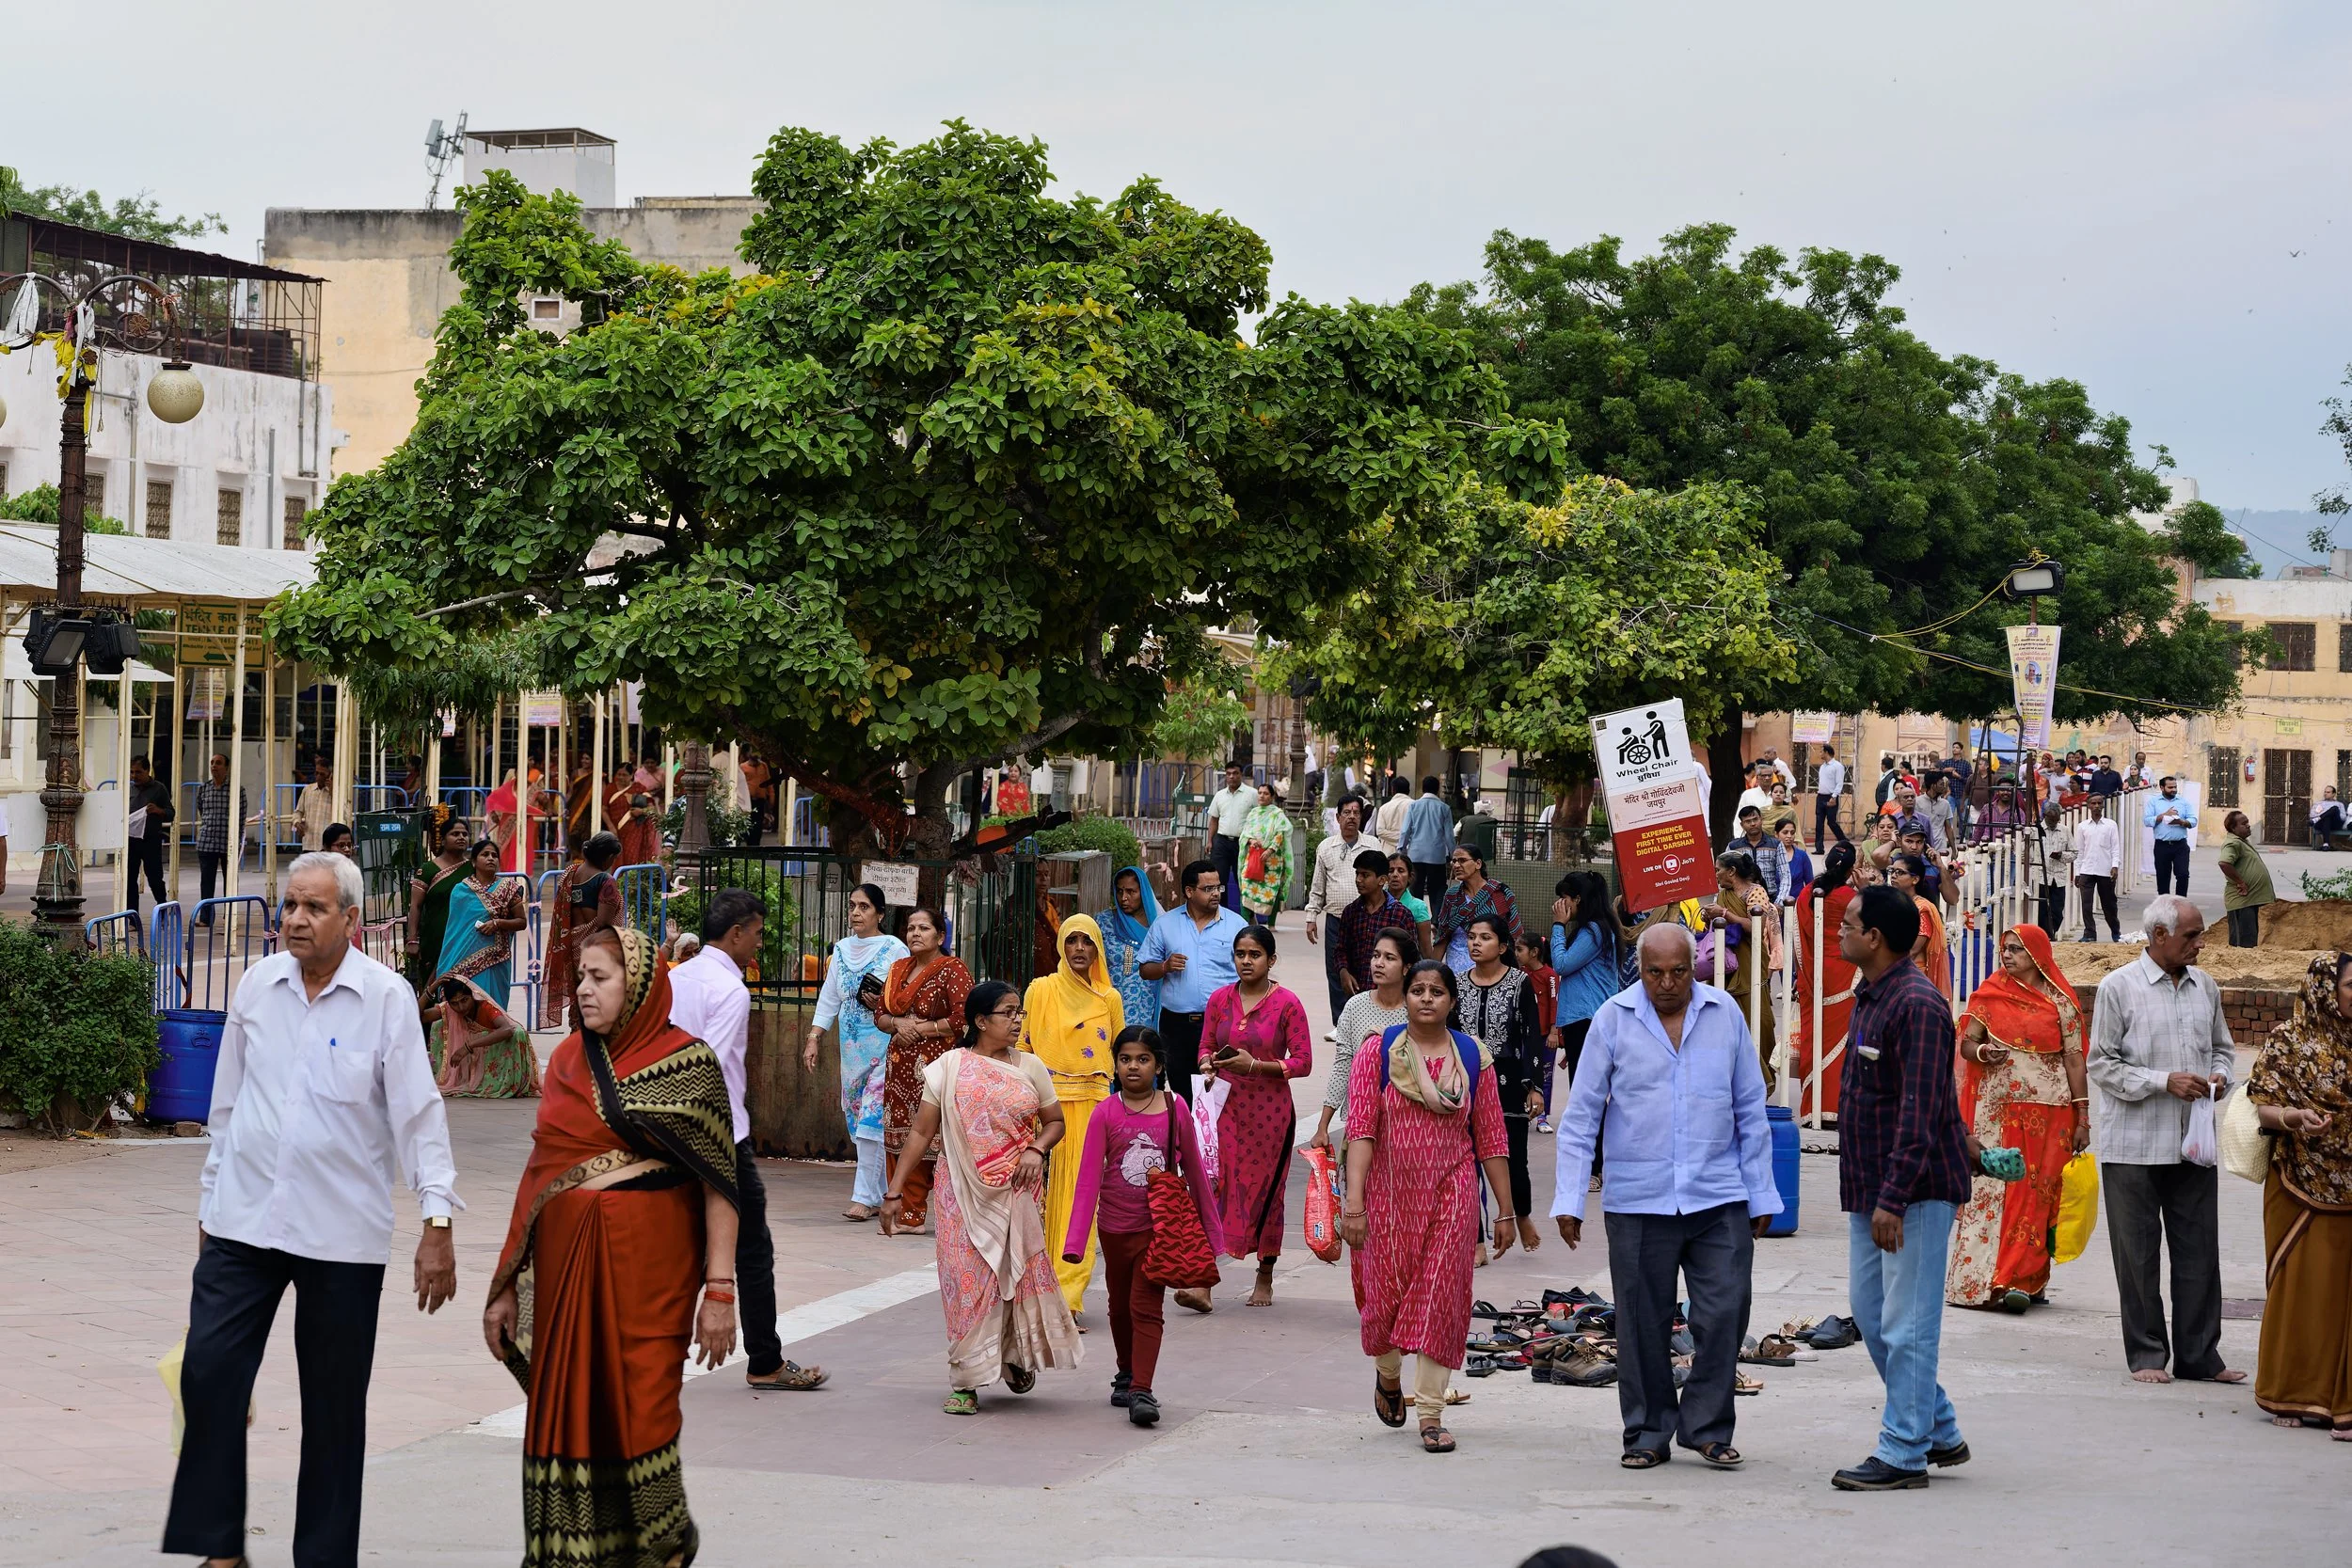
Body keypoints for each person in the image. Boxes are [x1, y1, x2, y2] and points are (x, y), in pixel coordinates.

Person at [163, 853, 459, 1567]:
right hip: (243, 1220)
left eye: (314, 908)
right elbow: (227, 1107)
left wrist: (437, 1221)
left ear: (350, 919)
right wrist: (209, 1203)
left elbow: (418, 1115)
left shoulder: (385, 999)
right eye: (290, 905)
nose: (295, 919)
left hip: (341, 1236)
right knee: (208, 1372)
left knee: (333, 1410)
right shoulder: (257, 985)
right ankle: (220, 1552)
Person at [484, 926, 737, 1565]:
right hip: (566, 1269)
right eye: (581, 977)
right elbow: (541, 1174)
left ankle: (660, 1547)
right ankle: (569, 1555)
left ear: (641, 984)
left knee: (644, 1406)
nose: (584, 990)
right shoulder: (568, 1060)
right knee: (569, 1405)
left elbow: (720, 1186)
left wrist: (720, 1290)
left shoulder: (691, 1065)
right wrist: (508, 1281)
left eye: (600, 977)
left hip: (652, 1273)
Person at [1552, 923, 1779, 1470]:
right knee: (1640, 1323)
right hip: (1637, 1200)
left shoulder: (1724, 1015)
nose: (1668, 983)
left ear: (1692, 967)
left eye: (1679, 971)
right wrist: (1569, 1198)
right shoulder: (1613, 1019)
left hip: (1718, 1195)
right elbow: (1582, 1116)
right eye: (1656, 973)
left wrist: (1762, 1193)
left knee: (1726, 1312)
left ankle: (1705, 1426)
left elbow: (1750, 1109)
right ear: (1641, 969)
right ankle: (1648, 1431)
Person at [880, 980, 1084, 1414]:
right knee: (966, 1282)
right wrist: (895, 1191)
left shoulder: (1030, 1066)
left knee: (1014, 1276)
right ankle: (967, 1381)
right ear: (980, 1021)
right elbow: (921, 1132)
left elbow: (1054, 1122)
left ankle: (1012, 1356)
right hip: (960, 1191)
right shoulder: (949, 1067)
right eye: (1008, 1013)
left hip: (1017, 1191)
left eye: (1018, 1012)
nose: (1016, 1021)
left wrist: (1036, 1149)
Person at [1832, 885, 1975, 1491]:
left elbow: (1918, 1112)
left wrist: (1893, 1199)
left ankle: (1904, 1452)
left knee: (1908, 1325)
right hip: (1871, 1189)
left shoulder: (1917, 1005)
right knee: (1872, 1315)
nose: (1839, 931)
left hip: (1912, 1192)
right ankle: (1937, 1426)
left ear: (1875, 938)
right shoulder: (1871, 995)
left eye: (1848, 923)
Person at [1342, 959, 1517, 1454]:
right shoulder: (1378, 1052)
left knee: (1442, 1294)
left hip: (1452, 1190)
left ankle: (1431, 1414)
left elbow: (1491, 1138)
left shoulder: (1473, 1058)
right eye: (1417, 990)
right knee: (1383, 1300)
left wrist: (1506, 1211)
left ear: (1451, 1001)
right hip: (1387, 1196)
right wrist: (1354, 1202)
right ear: (1405, 998)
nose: (1425, 998)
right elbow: (1361, 1130)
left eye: (1436, 991)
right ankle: (1388, 1374)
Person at [672, 888, 829, 1393]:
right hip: (720, 1132)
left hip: (669, 1126)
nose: (760, 942)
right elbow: (711, 1066)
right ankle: (765, 1359)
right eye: (757, 933)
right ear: (736, 933)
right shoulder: (730, 990)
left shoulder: (676, 978)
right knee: (753, 1249)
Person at [2087, 894, 2244, 1386]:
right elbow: (2102, 1064)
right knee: (2137, 1256)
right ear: (2158, 935)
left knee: (2199, 1252)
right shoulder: (2118, 987)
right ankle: (2148, 1353)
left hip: (2192, 1141)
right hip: (2133, 1145)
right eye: (2191, 936)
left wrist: (2219, 1077)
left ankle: (2200, 1356)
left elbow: (2223, 1049)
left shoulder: (2205, 987)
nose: (2200, 944)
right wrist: (2162, 1082)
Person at [1060, 1026, 1223, 1428]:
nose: (1133, 1067)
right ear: (1115, 1065)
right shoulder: (1105, 1112)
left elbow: (1195, 1172)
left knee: (1145, 1307)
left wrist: (1212, 1233)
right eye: (1126, 1059)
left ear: (1159, 1066)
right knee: (1119, 1307)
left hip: (1159, 1228)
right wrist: (1076, 1242)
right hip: (1115, 1229)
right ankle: (1126, 1371)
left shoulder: (1175, 1107)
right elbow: (1087, 1180)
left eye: (1143, 1059)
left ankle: (1142, 1390)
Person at [1945, 924, 2090, 1312]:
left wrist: (2083, 1118)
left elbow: (2074, 1060)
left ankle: (2023, 1281)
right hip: (1998, 1109)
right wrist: (1982, 1054)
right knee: (1992, 1191)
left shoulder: (2061, 1001)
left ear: (2037, 955)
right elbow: (1967, 1043)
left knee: (2037, 1195)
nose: (2007, 955)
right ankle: (1979, 1283)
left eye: (2016, 949)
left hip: (2052, 1111)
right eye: (2005, 949)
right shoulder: (1990, 994)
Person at [2245, 952, 2352, 1437]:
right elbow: (2263, 1107)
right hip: (2299, 1181)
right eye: (2351, 986)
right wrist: (2296, 1118)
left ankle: (2342, 1401)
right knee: (2303, 1290)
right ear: (2325, 991)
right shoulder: (2289, 1041)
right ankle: (2289, 1391)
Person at [1195, 924, 1312, 1310]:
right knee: (1216, 1185)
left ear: (1271, 960)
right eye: (1240, 954)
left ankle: (1265, 1274)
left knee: (1266, 1191)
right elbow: (1205, 1045)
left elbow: (1303, 1062)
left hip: (1270, 1115)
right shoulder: (1220, 999)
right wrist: (1208, 1064)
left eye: (1255, 955)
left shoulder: (1288, 1004)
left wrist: (1257, 1066)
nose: (1246, 961)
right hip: (1225, 1107)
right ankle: (1203, 1281)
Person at [1023, 912, 1126, 1317]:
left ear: (1097, 950)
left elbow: (1121, 1056)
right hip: (1043, 1105)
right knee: (1039, 1199)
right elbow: (1023, 1045)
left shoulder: (1108, 998)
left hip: (1092, 1106)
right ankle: (1034, 1289)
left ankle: (1067, 1296)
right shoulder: (1040, 990)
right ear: (1061, 946)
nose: (1079, 949)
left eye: (1087, 942)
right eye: (1072, 941)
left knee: (1080, 1200)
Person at [803, 883, 911, 1222]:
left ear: (880, 914)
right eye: (852, 906)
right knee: (857, 1119)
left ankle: (863, 1198)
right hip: (851, 1052)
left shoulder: (894, 948)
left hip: (886, 1046)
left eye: (864, 907)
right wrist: (814, 1037)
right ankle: (881, 1194)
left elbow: (906, 995)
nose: (855, 913)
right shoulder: (841, 950)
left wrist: (883, 1002)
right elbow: (829, 998)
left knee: (870, 1121)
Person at [872, 907, 975, 1231]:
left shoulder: (953, 970)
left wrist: (920, 1029)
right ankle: (904, 1211)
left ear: (940, 936)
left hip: (935, 1065)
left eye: (924, 928)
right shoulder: (898, 968)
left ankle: (925, 1212)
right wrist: (898, 1024)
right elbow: (879, 1015)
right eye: (911, 928)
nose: (915, 933)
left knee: (930, 1134)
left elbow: (964, 1018)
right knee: (898, 1133)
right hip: (899, 1067)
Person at [1454, 912, 1547, 1253]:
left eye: (1485, 938)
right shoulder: (1456, 983)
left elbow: (1530, 1036)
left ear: (1503, 946)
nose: (1476, 943)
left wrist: (1534, 1086)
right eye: (1472, 937)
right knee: (1467, 1163)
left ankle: (1521, 1214)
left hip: (1506, 1080)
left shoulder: (1519, 983)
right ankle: (1476, 1239)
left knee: (1513, 1156)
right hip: (1464, 1080)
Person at [1137, 861, 1248, 1107]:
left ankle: (1217, 1133)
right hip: (1177, 1026)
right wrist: (1165, 967)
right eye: (1208, 889)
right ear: (1189, 891)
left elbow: (1250, 973)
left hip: (1223, 1022)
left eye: (1218, 887)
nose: (1216, 893)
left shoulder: (1237, 926)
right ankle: (1188, 1132)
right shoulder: (1165, 924)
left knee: (1222, 1092)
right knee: (1183, 1093)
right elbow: (1145, 969)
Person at [1313, 927, 1418, 1149]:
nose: (1378, 963)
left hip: (1407, 1122)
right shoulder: (1355, 1006)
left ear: (1406, 968)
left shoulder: (1417, 1011)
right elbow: (1343, 1065)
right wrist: (1323, 1125)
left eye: (1389, 958)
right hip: (1360, 1118)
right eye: (1376, 955)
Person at [1304, 795, 1386, 1021]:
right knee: (1336, 971)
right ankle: (1340, 1024)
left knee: (1367, 968)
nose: (1351, 817)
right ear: (1338, 817)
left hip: (1367, 918)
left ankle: (1368, 1019)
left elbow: (1383, 881)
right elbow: (1318, 886)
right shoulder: (1326, 847)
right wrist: (1311, 916)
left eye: (1356, 813)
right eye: (1347, 813)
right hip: (1336, 920)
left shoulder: (1373, 845)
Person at [1793, 845, 1860, 1117]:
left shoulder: (1807, 893)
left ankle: (1814, 1107)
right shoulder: (1852, 898)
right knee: (1841, 1039)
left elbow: (1800, 935)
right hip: (1845, 971)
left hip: (1814, 969)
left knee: (1816, 1035)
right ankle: (1835, 1106)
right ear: (1851, 869)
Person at [430, 838, 527, 1018]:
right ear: (474, 862)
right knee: (464, 1008)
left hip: (497, 960)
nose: (491, 858)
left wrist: (498, 923)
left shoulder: (509, 888)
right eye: (485, 855)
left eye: (494, 855)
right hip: (463, 959)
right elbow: (454, 931)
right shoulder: (460, 891)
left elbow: (521, 922)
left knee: (493, 1011)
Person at [541, 830, 625, 1031]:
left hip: (572, 947)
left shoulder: (570, 874)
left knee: (580, 997)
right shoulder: (605, 880)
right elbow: (604, 923)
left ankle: (577, 1039)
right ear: (608, 857)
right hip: (595, 950)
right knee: (597, 1000)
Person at [429, 974, 542, 1098]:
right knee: (438, 1025)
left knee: (517, 1033)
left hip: (496, 1061)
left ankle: (500, 1081)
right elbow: (417, 1015)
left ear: (472, 995)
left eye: (464, 1000)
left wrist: (469, 1046)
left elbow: (508, 1030)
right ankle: (457, 1076)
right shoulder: (449, 1009)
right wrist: (432, 988)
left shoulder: (485, 1007)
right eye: (454, 1003)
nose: (461, 1007)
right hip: (472, 1063)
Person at [405, 813, 473, 990]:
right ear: (442, 840)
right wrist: (412, 940)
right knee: (432, 991)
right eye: (455, 834)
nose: (461, 838)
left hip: (464, 941)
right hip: (435, 940)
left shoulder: (472, 869)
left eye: (464, 834)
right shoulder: (428, 870)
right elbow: (416, 906)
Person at [1431, 843, 1521, 973]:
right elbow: (1443, 936)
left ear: (1478, 864)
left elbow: (1514, 935)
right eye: (1454, 861)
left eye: (1462, 860)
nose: (1456, 865)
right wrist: (1431, 971)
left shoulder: (1499, 893)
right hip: (1456, 970)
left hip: (1492, 970)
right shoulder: (1452, 896)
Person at [1336, 848, 1411, 999]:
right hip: (1357, 993)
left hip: (1390, 995)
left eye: (1365, 875)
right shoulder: (1351, 912)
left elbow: (1410, 958)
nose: (1358, 880)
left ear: (1382, 880)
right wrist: (1343, 971)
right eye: (1357, 874)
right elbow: (1341, 949)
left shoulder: (1400, 914)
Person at [1100, 865, 1162, 1037]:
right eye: (1119, 891)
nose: (1123, 898)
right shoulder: (1105, 922)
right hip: (1111, 1003)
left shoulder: (1159, 926)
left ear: (1143, 892)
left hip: (1147, 1004)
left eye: (1131, 892)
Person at [1516, 930, 1561, 1131]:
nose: (1516, 954)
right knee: (1523, 1074)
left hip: (1545, 1036)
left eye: (1520, 950)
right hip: (1524, 1035)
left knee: (1545, 1076)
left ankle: (1542, 1117)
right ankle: (1523, 1113)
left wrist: (1554, 1031)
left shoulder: (1550, 975)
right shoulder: (1520, 975)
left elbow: (1555, 1003)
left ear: (1534, 952)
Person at [1887, 853, 1949, 1001]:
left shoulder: (1922, 909)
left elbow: (1913, 950)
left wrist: (1887, 971)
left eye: (1900, 872)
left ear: (1915, 880)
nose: (1894, 876)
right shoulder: (1894, 903)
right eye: (1892, 871)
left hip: (1911, 975)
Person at [192, 752, 246, 917]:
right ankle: (206, 916)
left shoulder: (237, 790)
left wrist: (236, 839)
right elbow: (201, 810)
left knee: (230, 880)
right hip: (207, 841)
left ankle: (230, 914)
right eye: (212, 762)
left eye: (219, 763)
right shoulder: (204, 788)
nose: (214, 766)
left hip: (228, 842)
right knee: (207, 882)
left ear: (227, 768)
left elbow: (241, 816)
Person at [122, 753, 174, 914]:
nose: (134, 776)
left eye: (138, 772)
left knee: (155, 878)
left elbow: (171, 813)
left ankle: (162, 909)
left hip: (150, 840)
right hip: (131, 841)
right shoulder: (128, 790)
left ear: (147, 771)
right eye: (132, 772)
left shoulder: (159, 789)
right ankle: (132, 916)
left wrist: (158, 811)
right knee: (130, 880)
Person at [2217, 810, 2275, 947]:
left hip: (2249, 901)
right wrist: (2240, 882)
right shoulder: (2233, 843)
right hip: (2241, 902)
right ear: (2233, 828)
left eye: (2248, 822)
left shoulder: (2242, 842)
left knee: (2249, 940)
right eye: (2243, 824)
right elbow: (2224, 863)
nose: (2248, 825)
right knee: (2241, 944)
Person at [1237, 782, 1292, 921]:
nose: (1262, 796)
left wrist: (1270, 850)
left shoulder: (1277, 814)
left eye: (1266, 793)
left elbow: (1281, 834)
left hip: (1272, 861)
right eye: (1260, 793)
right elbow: (1245, 834)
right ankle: (1245, 922)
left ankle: (1271, 924)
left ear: (1272, 797)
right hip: (1254, 858)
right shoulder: (1253, 813)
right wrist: (1251, 841)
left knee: (1271, 891)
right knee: (1246, 888)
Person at [1207, 762, 1256, 913]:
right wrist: (1209, 841)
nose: (1231, 777)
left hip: (1243, 843)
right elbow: (1214, 819)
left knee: (1243, 880)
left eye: (1235, 773)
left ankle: (1247, 915)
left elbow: (1259, 818)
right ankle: (1221, 913)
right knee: (1219, 880)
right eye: (1228, 774)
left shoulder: (1252, 794)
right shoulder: (1220, 795)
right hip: (1221, 842)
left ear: (1241, 775)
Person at [1400, 775, 1456, 906]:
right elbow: (1449, 835)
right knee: (1437, 889)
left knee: (1415, 889)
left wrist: (1401, 850)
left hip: (1415, 854)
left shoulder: (1413, 806)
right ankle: (1436, 916)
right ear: (1437, 789)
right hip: (1436, 856)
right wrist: (1453, 855)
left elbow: (1405, 831)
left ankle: (1416, 915)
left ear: (1423, 789)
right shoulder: (1444, 808)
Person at [2074, 795, 2122, 942]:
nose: (2096, 806)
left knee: (2109, 904)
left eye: (2099, 803)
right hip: (2087, 869)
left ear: (2103, 805)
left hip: (2105, 869)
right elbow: (2079, 851)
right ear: (2088, 805)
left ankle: (2115, 931)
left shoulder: (2110, 825)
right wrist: (2077, 872)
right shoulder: (2082, 826)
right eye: (2093, 803)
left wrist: (2115, 866)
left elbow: (2115, 847)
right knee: (2086, 905)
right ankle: (2089, 933)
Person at [2144, 776, 2197, 896]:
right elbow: (2147, 821)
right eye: (2170, 787)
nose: (2174, 790)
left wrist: (2181, 822)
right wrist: (2164, 815)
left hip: (2180, 845)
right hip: (2162, 846)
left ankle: (2181, 902)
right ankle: (2164, 904)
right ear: (2162, 787)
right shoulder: (2154, 802)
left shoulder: (2183, 802)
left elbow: (2193, 820)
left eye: (2175, 787)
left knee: (2183, 875)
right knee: (2163, 877)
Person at [1724, 806, 1789, 902]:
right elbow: (1725, 874)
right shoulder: (1734, 846)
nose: (1753, 824)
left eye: (1755, 819)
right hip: (1741, 900)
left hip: (1770, 898)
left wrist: (1779, 902)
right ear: (1742, 825)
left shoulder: (1776, 844)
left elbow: (1785, 875)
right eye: (1748, 821)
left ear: (1761, 820)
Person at [2037, 803, 2074, 938]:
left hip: (2059, 877)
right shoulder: (2036, 830)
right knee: (2041, 910)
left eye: (2056, 819)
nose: (2053, 822)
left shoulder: (2065, 830)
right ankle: (2046, 936)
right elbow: (2024, 852)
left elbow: (2074, 853)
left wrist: (2061, 855)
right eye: (2050, 819)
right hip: (2040, 876)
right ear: (2045, 816)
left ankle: (2051, 932)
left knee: (2057, 910)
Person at [1387, 851, 1433, 952]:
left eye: (1401, 871)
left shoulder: (1418, 907)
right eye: (1391, 871)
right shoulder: (1377, 901)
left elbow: (1425, 948)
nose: (1395, 875)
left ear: (1410, 876)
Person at [294, 757, 335, 852]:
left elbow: (342, 811)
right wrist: (297, 823)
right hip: (309, 843)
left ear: (329, 775)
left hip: (326, 845)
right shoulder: (307, 790)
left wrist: (332, 791)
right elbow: (298, 812)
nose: (318, 777)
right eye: (316, 773)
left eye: (322, 774)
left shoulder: (335, 792)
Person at [1814, 744, 1851, 850]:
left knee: (1831, 822)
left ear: (1827, 752)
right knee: (1819, 823)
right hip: (1820, 796)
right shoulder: (1822, 767)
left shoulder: (1837, 766)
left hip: (1831, 797)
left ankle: (1844, 841)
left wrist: (1834, 796)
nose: (1820, 754)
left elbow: (1839, 783)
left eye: (1821, 751)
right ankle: (1819, 848)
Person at [1775, 817, 1814, 905]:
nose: (1789, 836)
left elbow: (1810, 883)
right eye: (1785, 832)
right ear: (1776, 834)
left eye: (1792, 833)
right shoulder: (1771, 855)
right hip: (1774, 905)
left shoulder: (1802, 856)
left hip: (1797, 904)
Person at [1918, 774, 1957, 853]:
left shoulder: (1945, 804)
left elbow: (1948, 828)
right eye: (1941, 784)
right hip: (1922, 848)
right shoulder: (1917, 802)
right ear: (1933, 785)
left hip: (1940, 847)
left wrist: (1954, 849)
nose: (1944, 787)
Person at [1374, 772, 1414, 847]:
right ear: (1408, 790)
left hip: (1388, 849)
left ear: (1393, 790)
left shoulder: (1383, 808)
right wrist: (1404, 837)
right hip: (1409, 849)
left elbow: (1380, 831)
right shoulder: (1415, 806)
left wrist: (1394, 837)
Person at [2312, 784, 2347, 851]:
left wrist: (2332, 813)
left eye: (2328, 792)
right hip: (2321, 824)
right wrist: (2326, 814)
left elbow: (2343, 818)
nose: (2325, 794)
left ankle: (2326, 844)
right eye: (2325, 792)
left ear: (2333, 794)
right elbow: (2312, 815)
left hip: (2335, 824)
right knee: (2327, 818)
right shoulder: (2318, 804)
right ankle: (2326, 844)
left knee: (2334, 808)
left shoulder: (2339, 804)